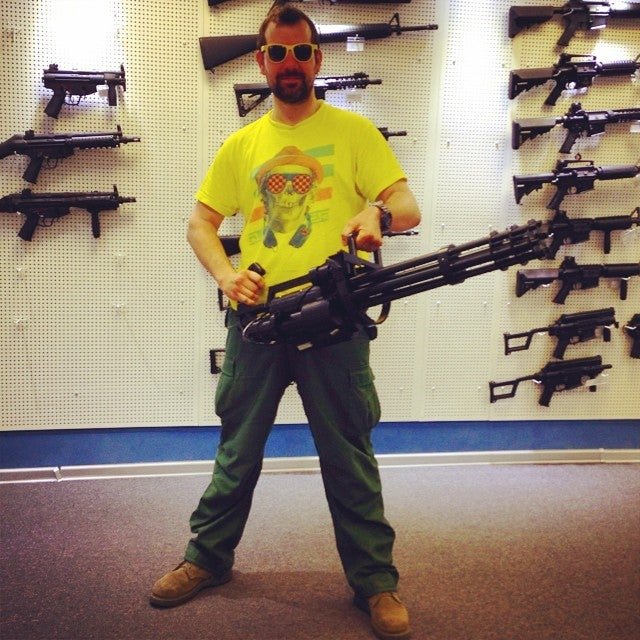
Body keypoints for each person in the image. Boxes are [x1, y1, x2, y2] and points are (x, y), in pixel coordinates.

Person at [150, 3, 421, 639]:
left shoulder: (355, 133)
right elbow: (200, 224)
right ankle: (206, 559)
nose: (290, 62)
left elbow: (406, 203)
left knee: (349, 456)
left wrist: (379, 215)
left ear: (317, 60)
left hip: (334, 322)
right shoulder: (242, 145)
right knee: (237, 452)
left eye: (302, 52)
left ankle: (375, 582)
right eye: (279, 52)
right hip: (257, 322)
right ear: (262, 61)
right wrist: (226, 276)